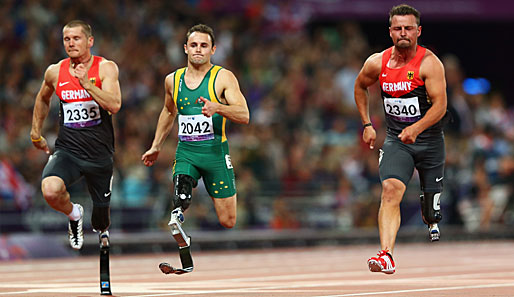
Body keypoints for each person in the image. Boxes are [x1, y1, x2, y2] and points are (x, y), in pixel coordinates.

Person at [354, 4, 448, 274]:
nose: (403, 33)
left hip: (429, 141)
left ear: (418, 31)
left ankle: (430, 216)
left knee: (432, 212)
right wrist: (367, 123)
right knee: (390, 191)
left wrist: (417, 128)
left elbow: (440, 106)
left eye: (408, 28)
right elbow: (360, 86)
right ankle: (386, 255)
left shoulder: (429, 63)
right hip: (397, 141)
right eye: (398, 28)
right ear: (390, 31)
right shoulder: (377, 62)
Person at [141, 24, 249, 248]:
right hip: (187, 151)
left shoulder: (223, 78)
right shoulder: (173, 80)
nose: (198, 49)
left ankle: (181, 216)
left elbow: (244, 114)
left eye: (203, 45)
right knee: (181, 193)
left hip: (215, 154)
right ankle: (178, 220)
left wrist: (218, 107)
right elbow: (169, 111)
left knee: (228, 220)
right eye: (193, 45)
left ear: (213, 49)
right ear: (185, 49)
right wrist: (156, 145)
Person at [30, 20, 122, 250]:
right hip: (68, 150)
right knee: (50, 190)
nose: (71, 43)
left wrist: (87, 85)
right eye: (67, 39)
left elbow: (115, 105)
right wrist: (35, 132)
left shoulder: (105, 68)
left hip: (100, 155)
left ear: (90, 41)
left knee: (101, 223)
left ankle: (97, 218)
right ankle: (74, 214)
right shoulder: (55, 71)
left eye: (76, 38)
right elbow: (42, 97)